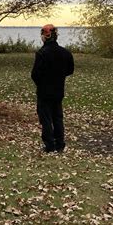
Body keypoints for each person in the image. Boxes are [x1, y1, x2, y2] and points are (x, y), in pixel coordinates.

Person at [31, 24, 74, 153]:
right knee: (58, 117)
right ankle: (60, 144)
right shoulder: (65, 53)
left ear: (44, 36)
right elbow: (70, 70)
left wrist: (42, 83)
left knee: (46, 119)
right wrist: (59, 77)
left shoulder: (42, 53)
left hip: (44, 92)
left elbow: (35, 74)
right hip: (59, 90)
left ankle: (49, 145)